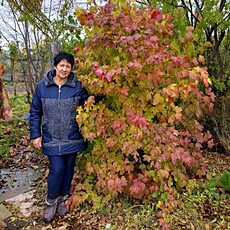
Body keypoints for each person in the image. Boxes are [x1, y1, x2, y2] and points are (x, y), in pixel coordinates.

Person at [29, 51, 88, 223]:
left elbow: (91, 101)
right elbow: (35, 112)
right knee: (57, 169)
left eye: (68, 66)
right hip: (51, 137)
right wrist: (35, 134)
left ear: (71, 68)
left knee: (69, 169)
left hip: (72, 136)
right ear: (55, 66)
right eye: (61, 65)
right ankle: (51, 202)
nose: (64, 69)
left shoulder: (78, 86)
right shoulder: (42, 87)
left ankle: (63, 199)